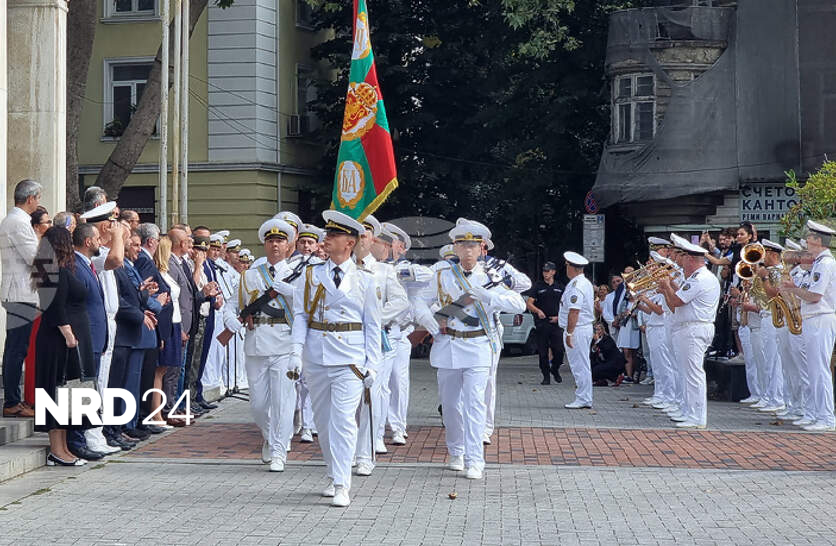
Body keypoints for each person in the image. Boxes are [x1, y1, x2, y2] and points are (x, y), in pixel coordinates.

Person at [415, 221, 525, 481]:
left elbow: (519, 303)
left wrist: (488, 296)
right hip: (449, 346)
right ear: (454, 247)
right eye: (462, 245)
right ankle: (456, 450)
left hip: (478, 346)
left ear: (481, 249)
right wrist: (429, 322)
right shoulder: (441, 273)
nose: (467, 250)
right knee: (450, 405)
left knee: (475, 403)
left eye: (472, 246)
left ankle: (475, 459)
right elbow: (418, 300)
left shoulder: (491, 276)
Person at [290, 210, 382, 507]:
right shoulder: (311, 274)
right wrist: (295, 352)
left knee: (343, 421)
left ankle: (343, 483)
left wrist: (373, 364)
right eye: (326, 234)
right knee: (324, 421)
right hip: (317, 355)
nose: (325, 239)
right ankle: (333, 473)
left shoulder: (365, 280)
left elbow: (372, 326)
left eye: (333, 235)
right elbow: (301, 316)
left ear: (350, 243)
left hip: (350, 359)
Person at [225, 219, 300, 471]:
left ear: (288, 245)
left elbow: (309, 308)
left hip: (285, 343)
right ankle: (270, 435)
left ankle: (279, 450)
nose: (275, 245)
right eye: (270, 241)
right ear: (265, 245)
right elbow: (232, 305)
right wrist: (229, 319)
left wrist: (291, 292)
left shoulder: (298, 275)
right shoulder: (250, 275)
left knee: (283, 402)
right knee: (258, 405)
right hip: (256, 342)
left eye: (280, 240)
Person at [34, 227, 96, 466]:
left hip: (65, 339)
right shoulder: (55, 271)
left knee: (65, 394)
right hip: (58, 341)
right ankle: (57, 450)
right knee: (57, 391)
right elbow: (56, 307)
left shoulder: (58, 269)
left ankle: (63, 448)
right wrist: (68, 334)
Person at [353, 214, 408, 476]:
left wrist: (374, 318)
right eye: (355, 235)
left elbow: (400, 302)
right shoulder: (341, 269)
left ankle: (367, 451)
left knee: (372, 396)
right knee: (347, 401)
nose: (360, 240)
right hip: (347, 341)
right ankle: (349, 449)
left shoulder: (384, 271)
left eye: (364, 235)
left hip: (377, 340)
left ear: (372, 239)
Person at [657, 235, 721, 429]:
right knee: (686, 373)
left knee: (693, 374)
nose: (679, 260)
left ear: (691, 259)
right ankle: (688, 410)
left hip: (694, 328)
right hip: (690, 327)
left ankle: (697, 416)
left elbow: (676, 301)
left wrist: (666, 286)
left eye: (683, 256)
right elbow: (680, 296)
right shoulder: (696, 278)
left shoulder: (700, 278)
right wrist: (669, 287)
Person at [781, 220, 836, 432]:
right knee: (813, 371)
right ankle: (814, 413)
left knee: (819, 370)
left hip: (821, 317)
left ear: (818, 241)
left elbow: (814, 295)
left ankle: (826, 417)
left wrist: (793, 289)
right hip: (813, 318)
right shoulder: (818, 264)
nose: (806, 241)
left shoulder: (825, 264)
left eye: (810, 237)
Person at [65, 223, 114, 460]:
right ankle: (76, 440)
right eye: (97, 239)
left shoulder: (87, 264)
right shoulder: (74, 265)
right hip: (85, 338)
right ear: (87, 242)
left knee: (88, 389)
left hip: (94, 338)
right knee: (80, 389)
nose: (100, 242)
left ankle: (82, 437)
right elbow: (74, 305)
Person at [382, 221, 432, 447]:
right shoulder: (373, 267)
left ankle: (397, 427)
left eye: (390, 242)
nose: (385, 245)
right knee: (377, 381)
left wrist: (396, 272)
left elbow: (427, 275)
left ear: (401, 248)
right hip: (375, 331)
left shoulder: (406, 269)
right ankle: (375, 427)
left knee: (398, 381)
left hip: (399, 331)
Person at [1, 179, 43, 418]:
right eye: (37, 198)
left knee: (16, 348)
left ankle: (13, 399)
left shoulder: (16, 220)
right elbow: (35, 258)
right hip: (19, 292)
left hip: (19, 292)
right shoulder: (18, 222)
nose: (38, 203)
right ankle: (12, 401)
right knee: (17, 349)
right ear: (30, 199)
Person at [558, 251, 596, 409]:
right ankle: (584, 396)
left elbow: (574, 311)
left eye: (567, 265)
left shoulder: (577, 285)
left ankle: (583, 398)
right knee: (581, 364)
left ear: (572, 267)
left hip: (578, 329)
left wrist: (569, 333)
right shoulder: (583, 282)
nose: (566, 268)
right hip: (581, 328)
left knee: (579, 365)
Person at [525, 261, 565, 385]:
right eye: (544, 271)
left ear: (553, 272)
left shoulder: (560, 287)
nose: (545, 273)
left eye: (548, 271)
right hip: (542, 323)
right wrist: (538, 311)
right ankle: (546, 376)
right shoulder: (538, 286)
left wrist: (560, 317)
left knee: (559, 350)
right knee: (543, 352)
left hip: (556, 323)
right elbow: (529, 303)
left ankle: (555, 368)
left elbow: (566, 305)